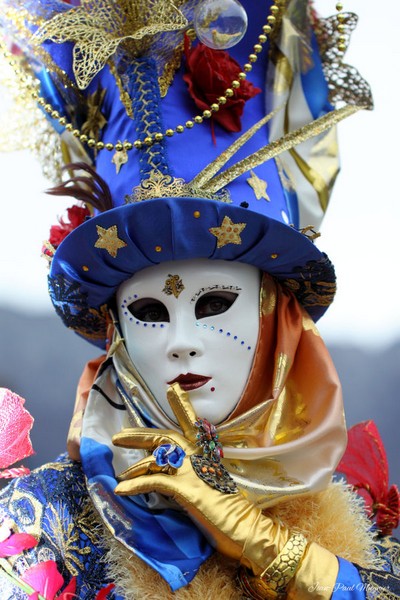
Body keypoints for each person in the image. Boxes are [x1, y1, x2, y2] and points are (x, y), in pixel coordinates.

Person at [0, 0, 399, 598]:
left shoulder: (367, 522)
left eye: (214, 304)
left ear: (276, 318)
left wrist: (256, 538)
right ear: (116, 334)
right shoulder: (38, 529)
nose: (182, 342)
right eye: (149, 312)